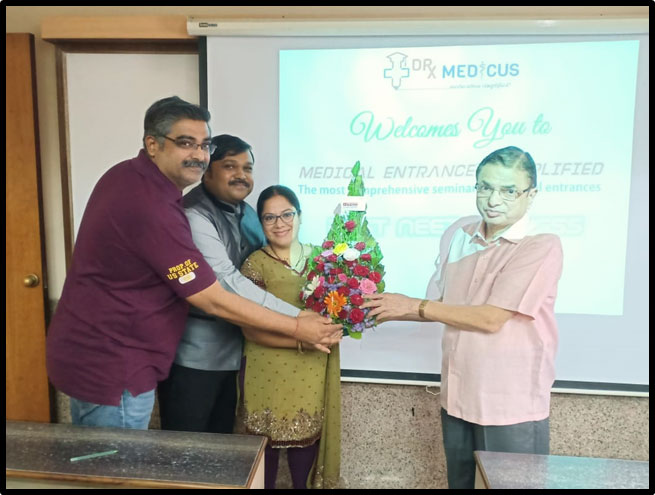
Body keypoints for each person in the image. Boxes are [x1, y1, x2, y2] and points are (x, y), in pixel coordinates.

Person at [45, 96, 341, 431]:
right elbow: (211, 295)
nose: (199, 155)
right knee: (119, 462)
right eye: (186, 143)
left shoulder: (131, 177)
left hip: (114, 354)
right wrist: (297, 325)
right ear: (152, 144)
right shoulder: (154, 207)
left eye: (205, 145)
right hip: (114, 363)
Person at [362, 146, 563, 489]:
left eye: (509, 191)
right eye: (485, 187)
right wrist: (387, 308)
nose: (493, 200)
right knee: (460, 484)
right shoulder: (461, 235)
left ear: (531, 195)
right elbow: (445, 304)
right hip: (458, 395)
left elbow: (490, 318)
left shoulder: (540, 245)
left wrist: (411, 306)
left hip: (510, 402)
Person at [158, 134, 305, 434]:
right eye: (229, 166)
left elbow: (267, 266)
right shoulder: (193, 214)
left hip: (236, 357)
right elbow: (226, 281)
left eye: (247, 168)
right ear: (207, 171)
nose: (241, 175)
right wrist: (298, 319)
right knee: (186, 450)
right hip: (193, 360)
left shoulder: (248, 213)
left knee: (222, 448)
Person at [237, 185, 341, 489]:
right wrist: (301, 340)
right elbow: (250, 328)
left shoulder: (324, 261)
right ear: (261, 223)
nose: (279, 223)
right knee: (264, 448)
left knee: (305, 441)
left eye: (287, 214)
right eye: (269, 218)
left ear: (300, 216)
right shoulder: (254, 264)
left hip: (311, 368)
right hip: (265, 367)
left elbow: (339, 308)